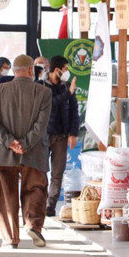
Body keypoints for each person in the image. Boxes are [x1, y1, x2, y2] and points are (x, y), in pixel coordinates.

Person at [0, 54, 52, 249]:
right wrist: (24, 144)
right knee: (35, 189)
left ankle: (10, 238)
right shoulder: (43, 93)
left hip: (3, 152)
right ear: (32, 70)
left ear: (14, 71)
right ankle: (33, 225)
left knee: (6, 195)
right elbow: (41, 125)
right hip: (34, 152)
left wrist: (10, 142)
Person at [42, 55, 80, 217]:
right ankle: (39, 201)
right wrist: (68, 93)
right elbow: (48, 103)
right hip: (43, 135)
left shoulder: (66, 87)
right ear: (57, 70)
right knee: (41, 171)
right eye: (65, 69)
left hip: (61, 135)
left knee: (57, 172)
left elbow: (74, 112)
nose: (67, 72)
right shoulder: (41, 85)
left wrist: (73, 133)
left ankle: (50, 205)